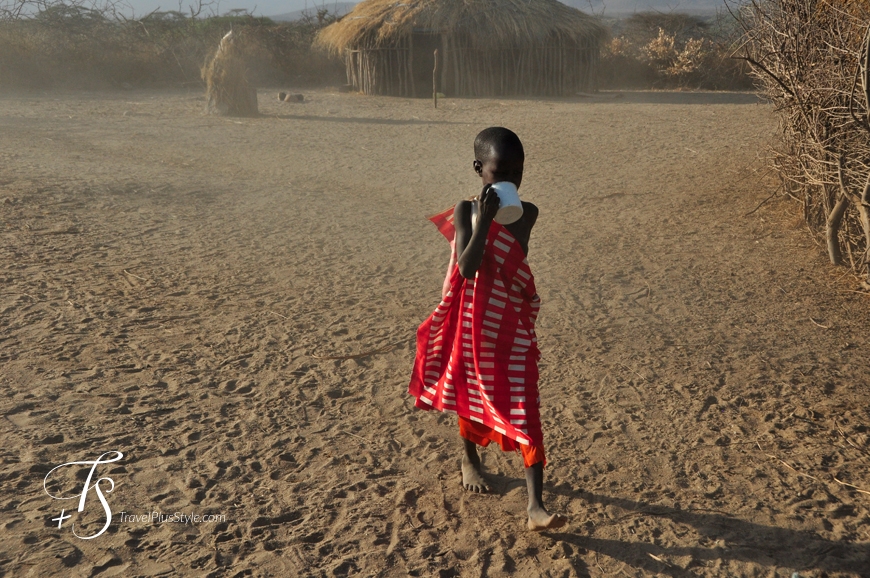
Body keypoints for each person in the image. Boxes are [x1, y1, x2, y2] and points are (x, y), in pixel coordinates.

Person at [408, 126, 567, 531]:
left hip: (509, 323)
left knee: (525, 402)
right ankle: (469, 459)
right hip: (471, 321)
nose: (510, 179)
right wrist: (484, 219)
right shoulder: (466, 210)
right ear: (479, 169)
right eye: (501, 171)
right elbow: (466, 267)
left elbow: (512, 251)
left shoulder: (527, 212)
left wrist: (499, 215)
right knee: (468, 392)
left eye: (518, 171)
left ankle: (535, 506)